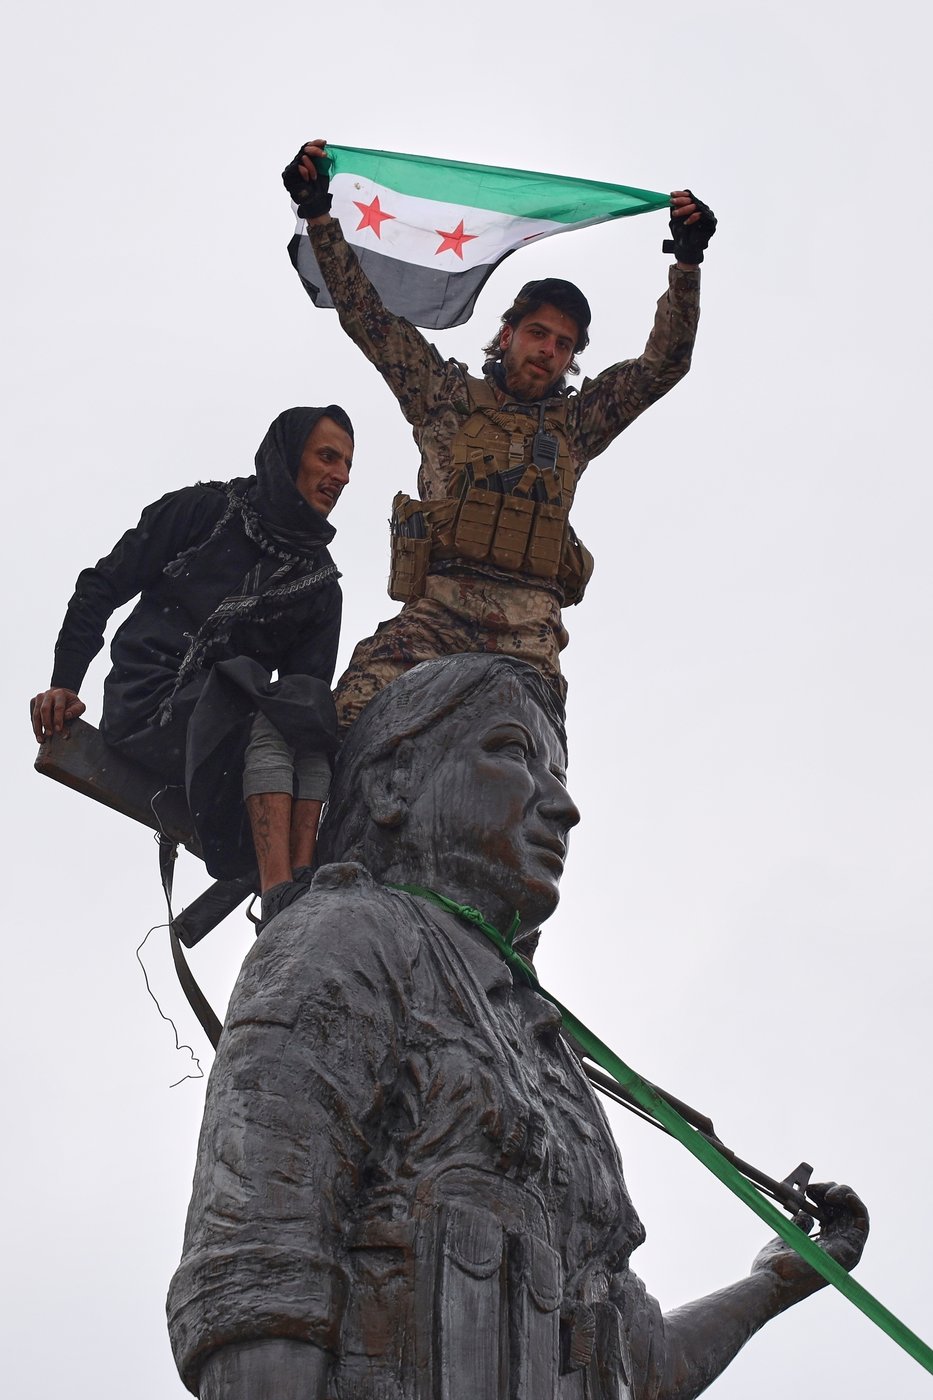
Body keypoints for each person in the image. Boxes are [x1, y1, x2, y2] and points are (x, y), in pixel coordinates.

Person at [167, 654, 868, 1400]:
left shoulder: (545, 1057)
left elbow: (632, 1363)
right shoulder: (349, 936)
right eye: (510, 751)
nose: (562, 804)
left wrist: (777, 1279)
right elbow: (256, 1271)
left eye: (558, 773)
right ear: (390, 785)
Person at [281, 141, 717, 730]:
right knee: (351, 711)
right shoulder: (442, 396)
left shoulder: (578, 424)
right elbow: (369, 317)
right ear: (507, 333)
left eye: (564, 344)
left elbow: (663, 364)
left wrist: (686, 268)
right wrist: (320, 219)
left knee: (534, 768)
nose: (549, 350)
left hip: (529, 638)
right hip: (435, 615)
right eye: (538, 333)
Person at [31, 406, 354, 921]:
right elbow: (101, 586)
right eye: (328, 457)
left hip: (223, 750)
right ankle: (277, 890)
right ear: (290, 456)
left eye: (347, 467)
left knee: (312, 724)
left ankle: (298, 885)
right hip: (147, 706)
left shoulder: (319, 587)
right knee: (271, 713)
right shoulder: (205, 511)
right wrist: (64, 683)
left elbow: (305, 698)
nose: (339, 476)